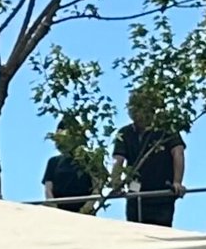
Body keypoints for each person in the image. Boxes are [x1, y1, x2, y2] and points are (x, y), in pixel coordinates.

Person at [113, 87, 185, 228]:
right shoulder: (125, 133)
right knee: (135, 232)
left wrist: (177, 182)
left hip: (162, 192)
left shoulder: (166, 129)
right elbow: (118, 160)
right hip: (136, 192)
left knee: (161, 233)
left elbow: (178, 152)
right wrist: (116, 184)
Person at [42, 127, 98, 212]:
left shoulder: (90, 160)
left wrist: (86, 208)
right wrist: (54, 208)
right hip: (58, 212)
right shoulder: (53, 162)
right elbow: (48, 189)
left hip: (84, 213)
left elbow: (97, 188)